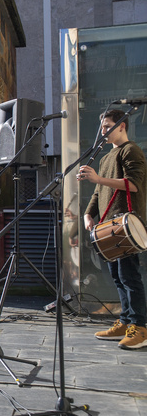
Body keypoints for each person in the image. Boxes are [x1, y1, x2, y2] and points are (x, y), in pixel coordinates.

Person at [81, 109, 147, 349]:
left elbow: (134, 184)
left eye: (108, 126)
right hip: (109, 227)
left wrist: (97, 179)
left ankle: (140, 328)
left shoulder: (131, 151)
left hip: (126, 225)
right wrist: (89, 213)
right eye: (102, 127)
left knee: (130, 277)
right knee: (119, 277)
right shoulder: (106, 157)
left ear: (122, 126)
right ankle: (126, 322)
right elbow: (99, 192)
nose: (103, 131)